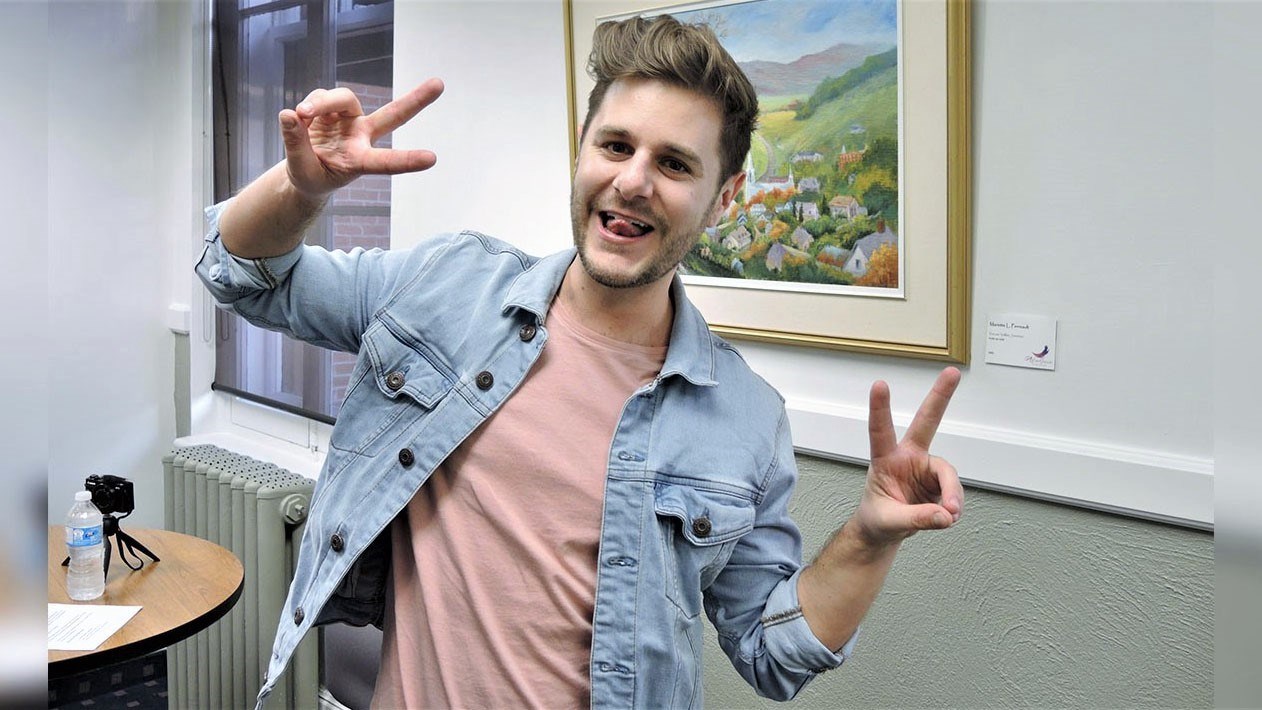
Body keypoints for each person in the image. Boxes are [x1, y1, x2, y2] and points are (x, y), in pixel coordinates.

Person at [198, 14, 963, 709]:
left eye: (675, 164)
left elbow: (773, 656)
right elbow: (242, 274)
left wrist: (869, 536)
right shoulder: (446, 288)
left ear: (725, 198)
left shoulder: (746, 420)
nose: (632, 181)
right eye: (616, 146)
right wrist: (300, 187)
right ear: (582, 146)